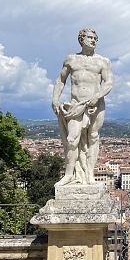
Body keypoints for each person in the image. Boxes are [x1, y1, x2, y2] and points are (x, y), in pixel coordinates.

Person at [52, 28, 113, 186]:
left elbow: (108, 83)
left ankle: (89, 175)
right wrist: (55, 99)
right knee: (72, 139)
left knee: (93, 138)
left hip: (96, 104)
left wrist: (97, 97)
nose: (93, 40)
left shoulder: (103, 61)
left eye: (95, 38)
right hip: (76, 104)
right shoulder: (71, 59)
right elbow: (61, 80)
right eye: (90, 38)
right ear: (81, 39)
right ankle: (69, 174)